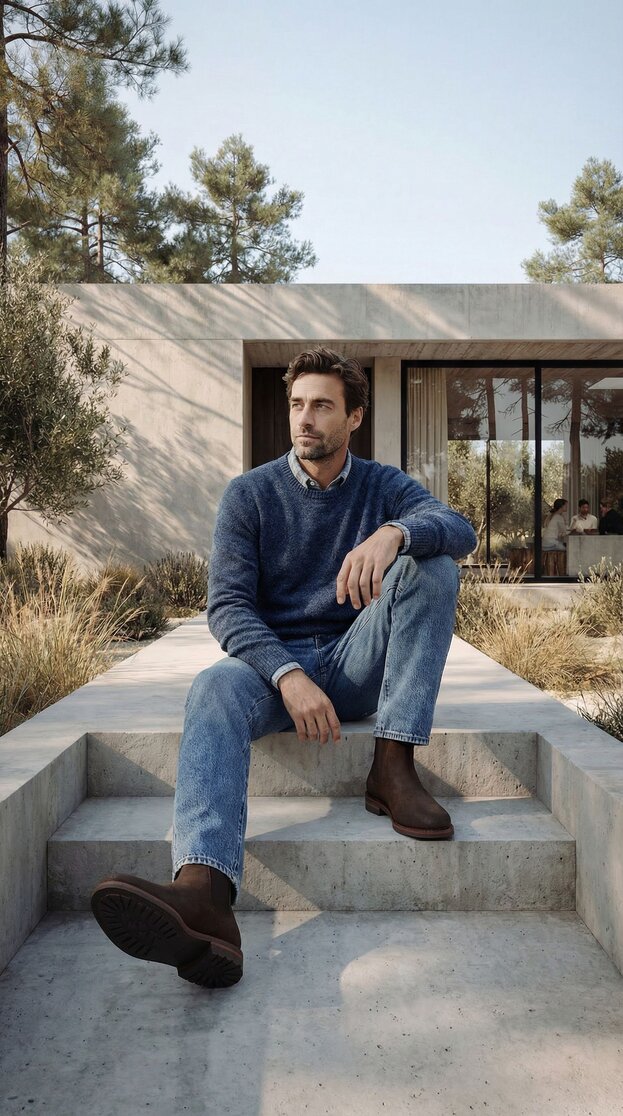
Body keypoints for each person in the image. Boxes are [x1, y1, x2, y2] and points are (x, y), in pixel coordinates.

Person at [91, 347, 477, 989]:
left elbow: (458, 528)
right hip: (275, 671)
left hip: (354, 661)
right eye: (298, 404)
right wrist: (287, 675)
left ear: (354, 417)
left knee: (433, 566)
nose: (305, 418)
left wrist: (395, 534)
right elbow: (228, 608)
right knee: (213, 687)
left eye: (322, 405)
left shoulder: (383, 485)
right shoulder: (249, 495)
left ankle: (393, 765)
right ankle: (204, 893)